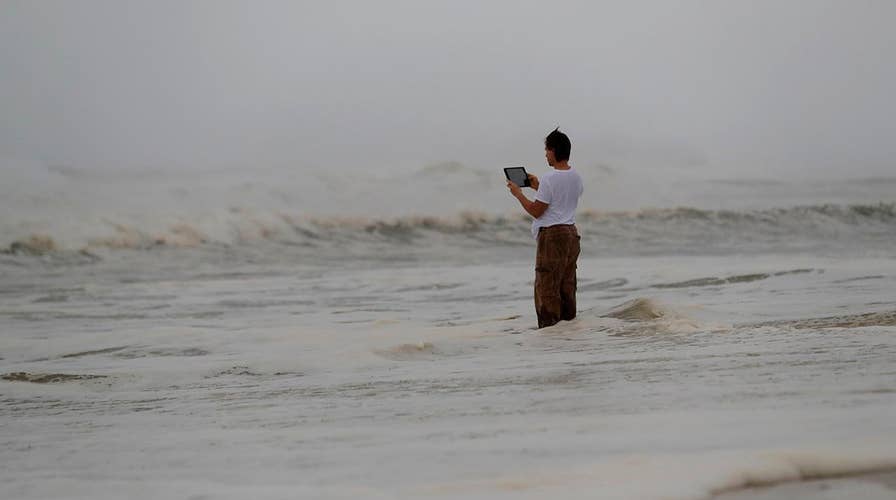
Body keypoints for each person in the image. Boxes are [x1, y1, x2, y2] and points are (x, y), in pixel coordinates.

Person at [506, 128, 583, 328]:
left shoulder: (551, 177)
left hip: (552, 235)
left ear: (555, 151)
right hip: (571, 234)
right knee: (566, 287)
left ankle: (549, 334)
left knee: (547, 288)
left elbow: (536, 210)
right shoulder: (576, 176)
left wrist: (518, 194)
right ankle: (568, 331)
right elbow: (560, 200)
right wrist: (536, 186)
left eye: (547, 149)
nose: (545, 154)